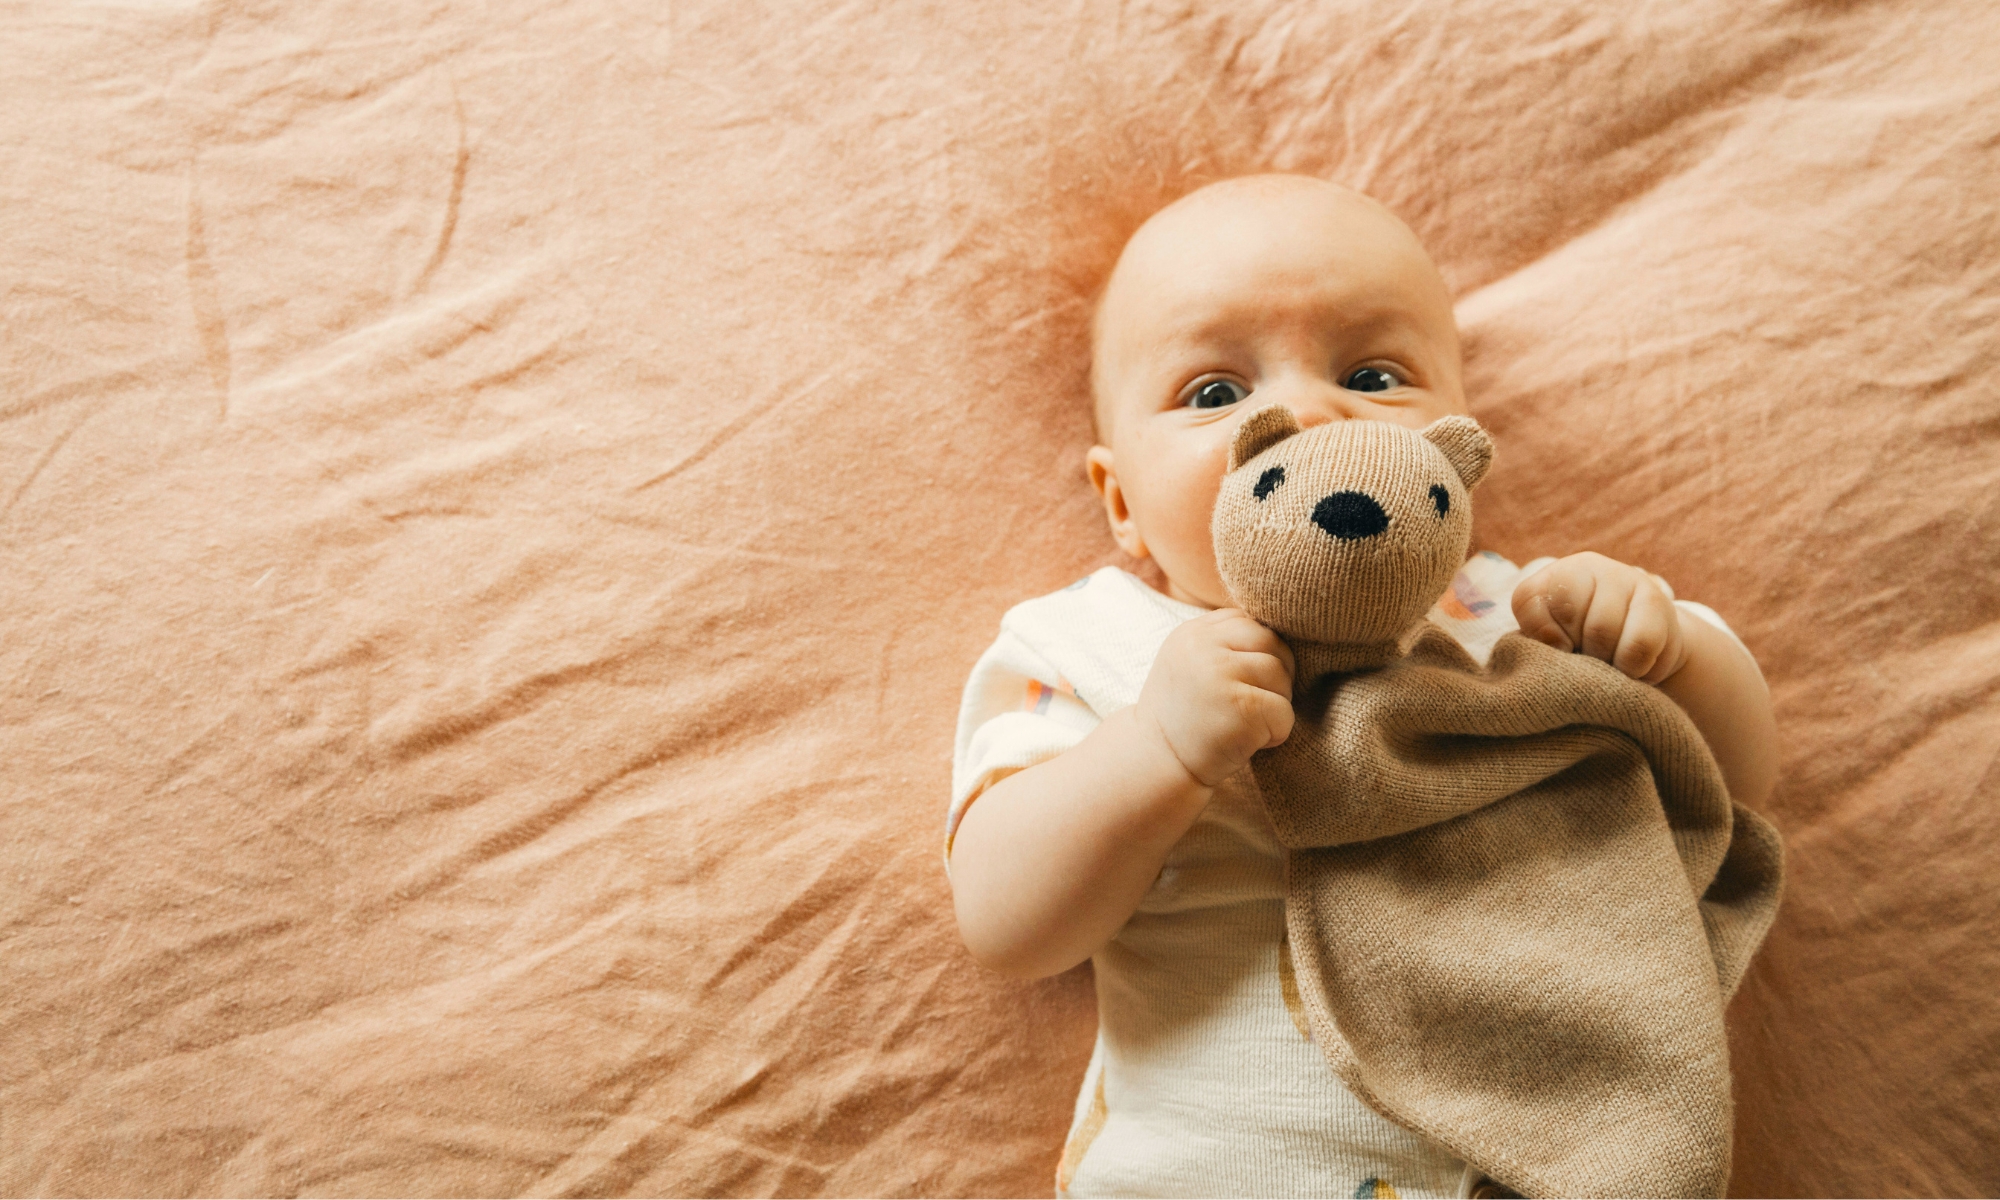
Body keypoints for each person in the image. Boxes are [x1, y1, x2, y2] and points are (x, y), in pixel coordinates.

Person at [944, 175, 1779, 1198]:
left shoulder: (1510, 613)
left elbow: (1730, 785)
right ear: (1122, 500)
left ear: (1459, 445)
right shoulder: (1095, 644)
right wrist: (1155, 747)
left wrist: (1667, 652)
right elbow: (1008, 924)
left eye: (1374, 376)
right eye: (1214, 393)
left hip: (1541, 1153)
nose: (1306, 413)